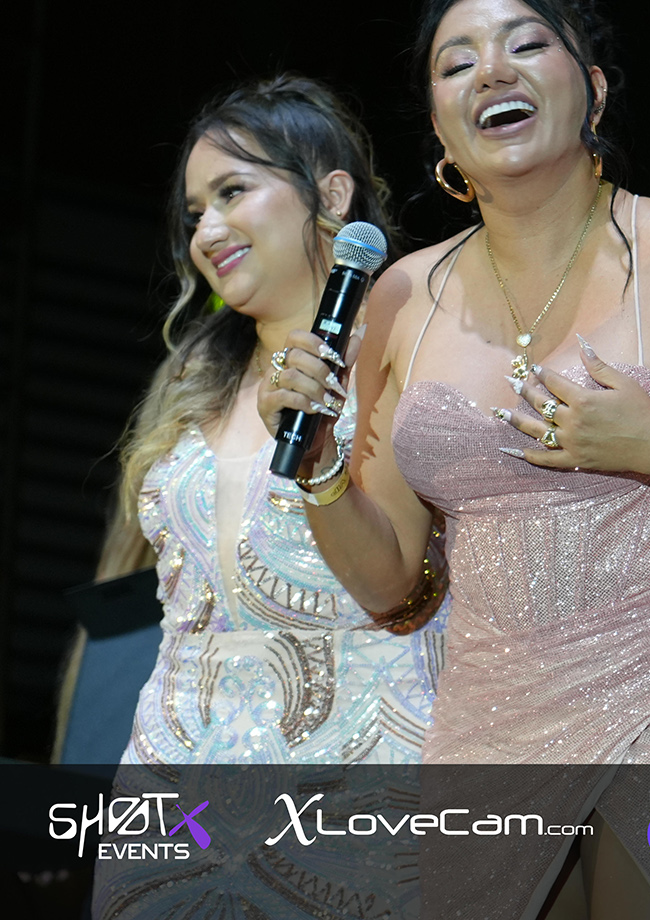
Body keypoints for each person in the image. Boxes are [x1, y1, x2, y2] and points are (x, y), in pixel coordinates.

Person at [265, 0, 650, 920]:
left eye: (526, 44)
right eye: (457, 63)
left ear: (592, 88)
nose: (491, 72)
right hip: (490, 731)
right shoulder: (399, 299)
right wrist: (320, 469)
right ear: (440, 131)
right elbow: (393, 589)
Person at [98, 76, 443, 915]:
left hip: (353, 787)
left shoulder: (409, 347)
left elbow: (408, 581)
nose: (207, 231)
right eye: (195, 214)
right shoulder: (193, 378)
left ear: (332, 195)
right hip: (173, 788)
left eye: (232, 192)